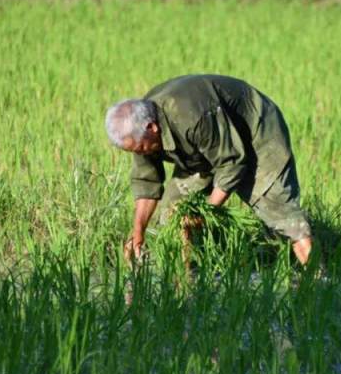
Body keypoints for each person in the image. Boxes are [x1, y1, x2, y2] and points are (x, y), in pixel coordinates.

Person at [105, 74, 313, 265]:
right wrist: (138, 232)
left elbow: (231, 162)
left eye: (141, 148)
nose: (140, 153)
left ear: (152, 127)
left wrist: (208, 212)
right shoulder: (137, 131)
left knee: (282, 216)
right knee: (171, 217)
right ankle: (188, 280)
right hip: (206, 147)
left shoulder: (191, 116)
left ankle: (318, 279)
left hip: (255, 132)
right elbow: (146, 183)